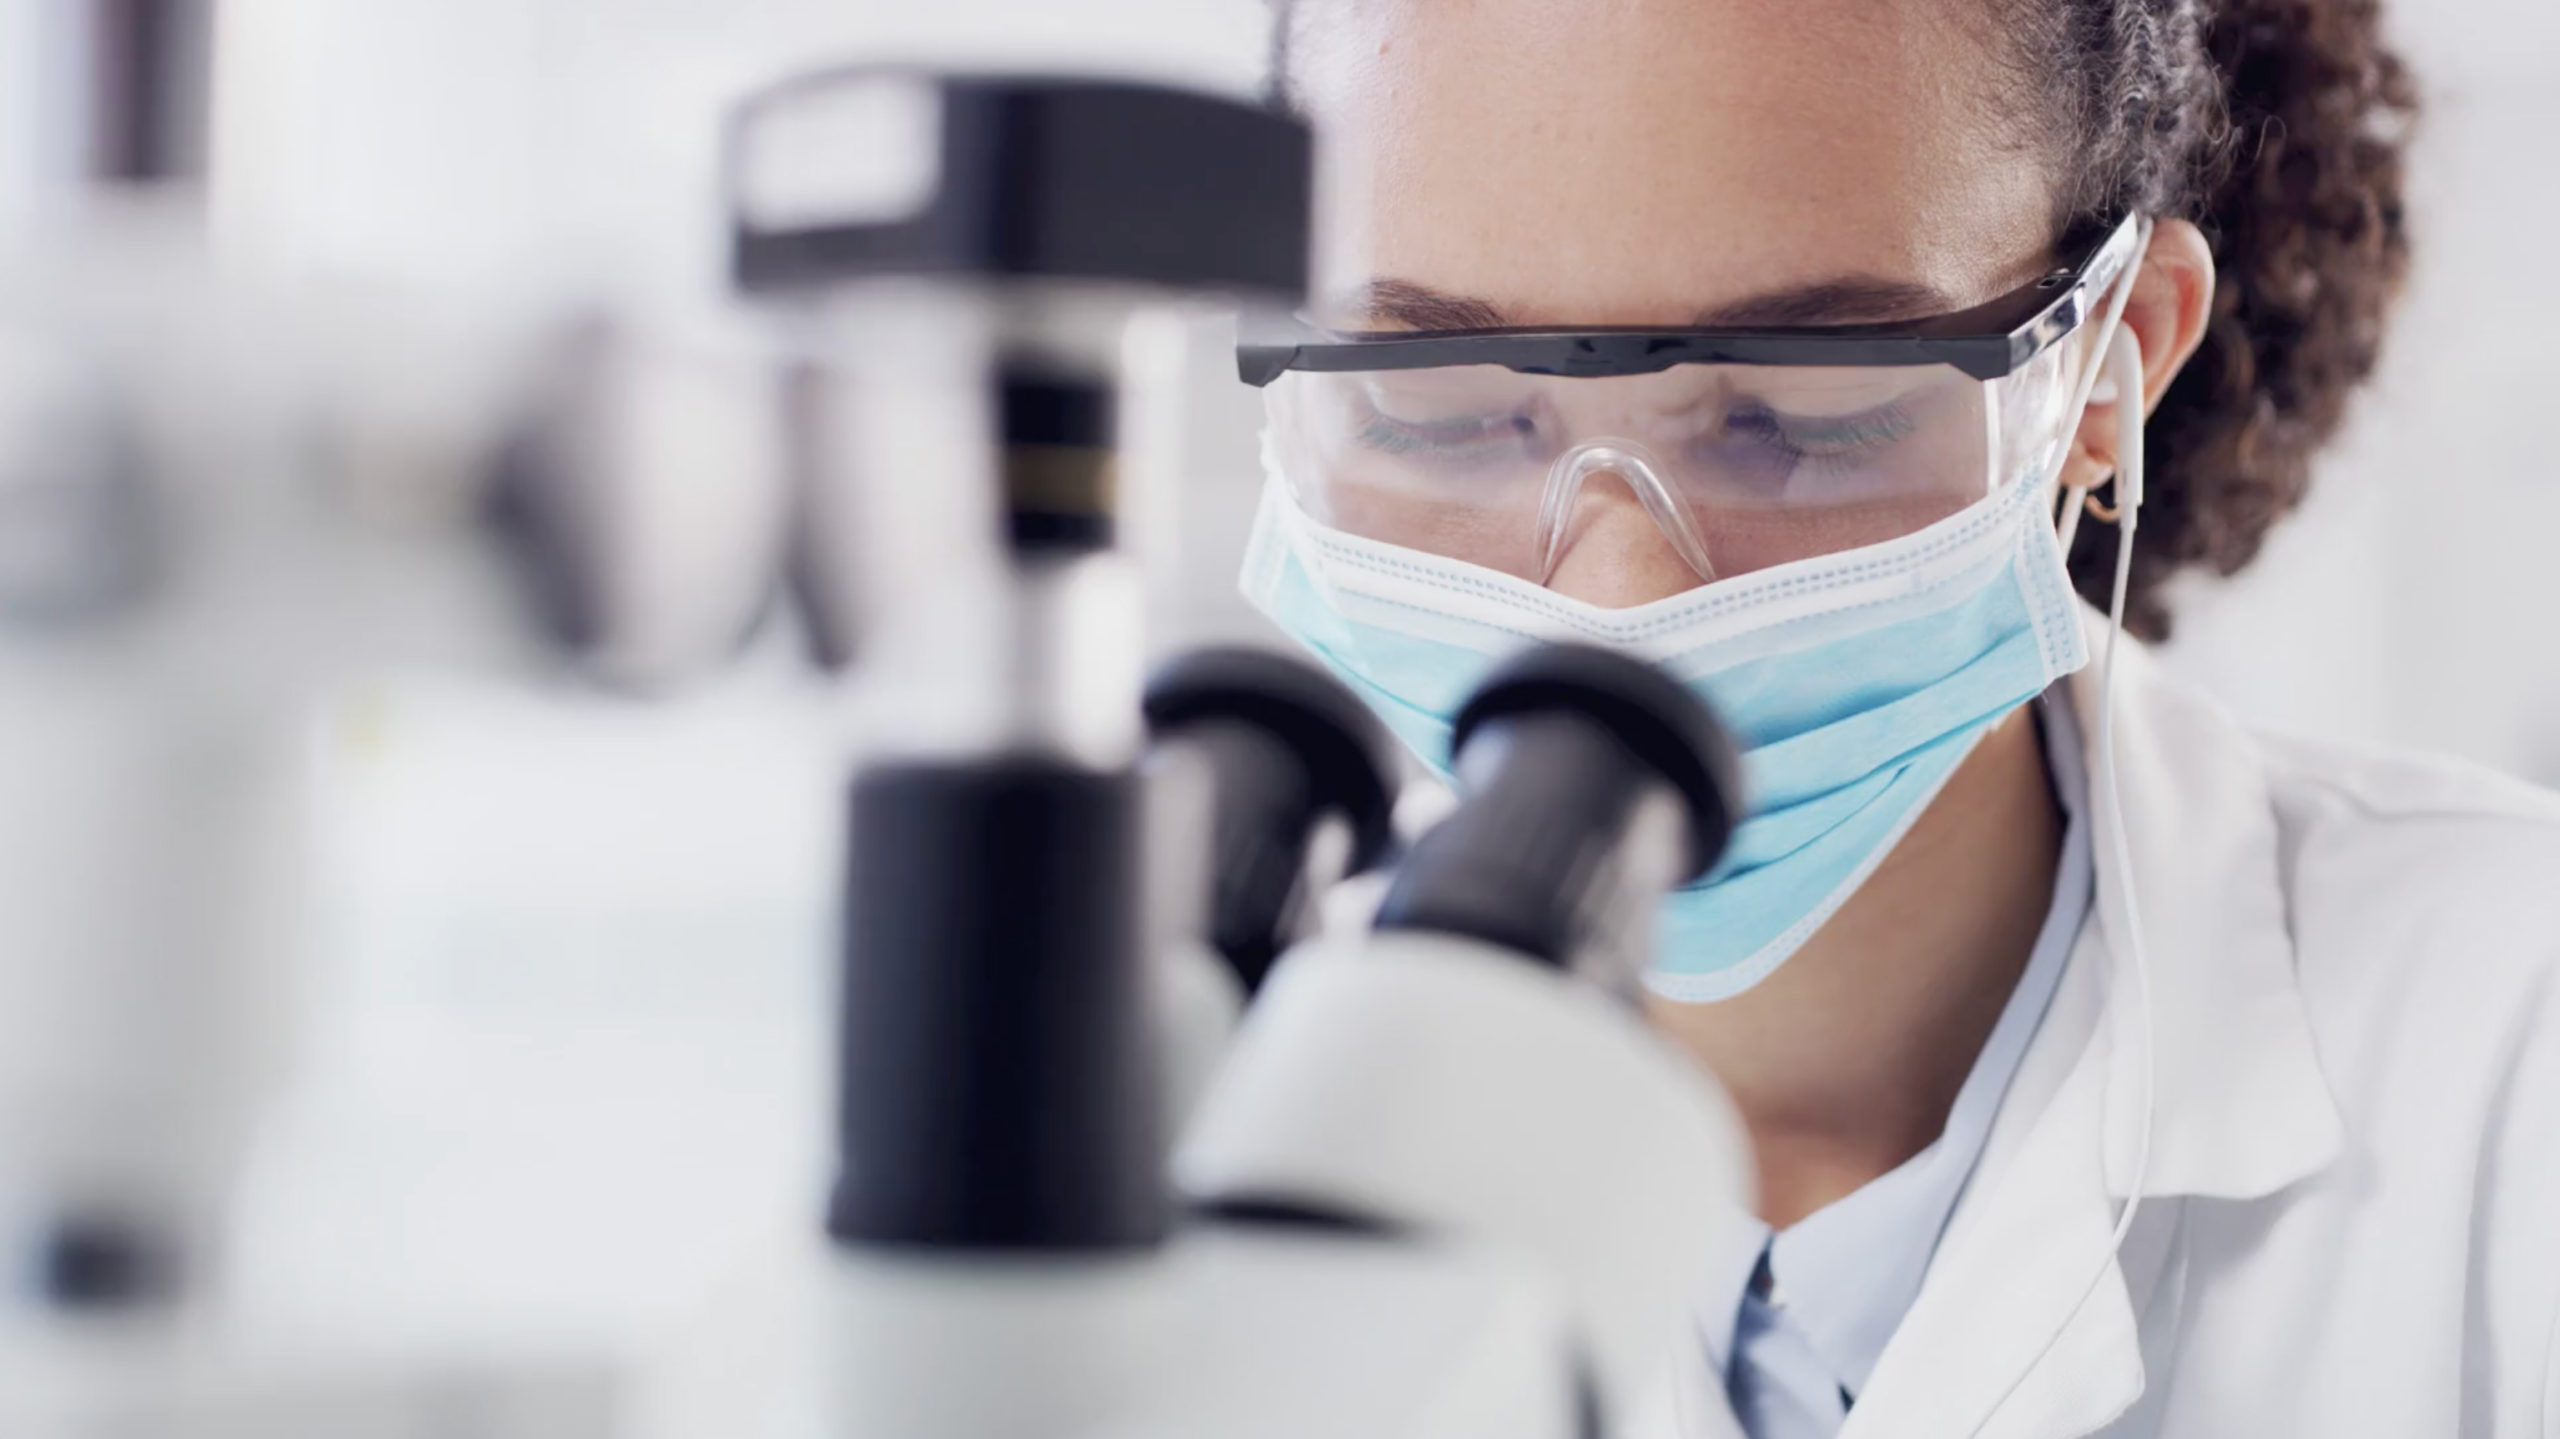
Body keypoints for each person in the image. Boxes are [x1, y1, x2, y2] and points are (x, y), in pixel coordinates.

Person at [1239, 1, 2560, 1435]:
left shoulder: (2512, 1046)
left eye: (1807, 412)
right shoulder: (1171, 1103)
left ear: (2112, 362)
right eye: (1437, 411)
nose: (1615, 607)